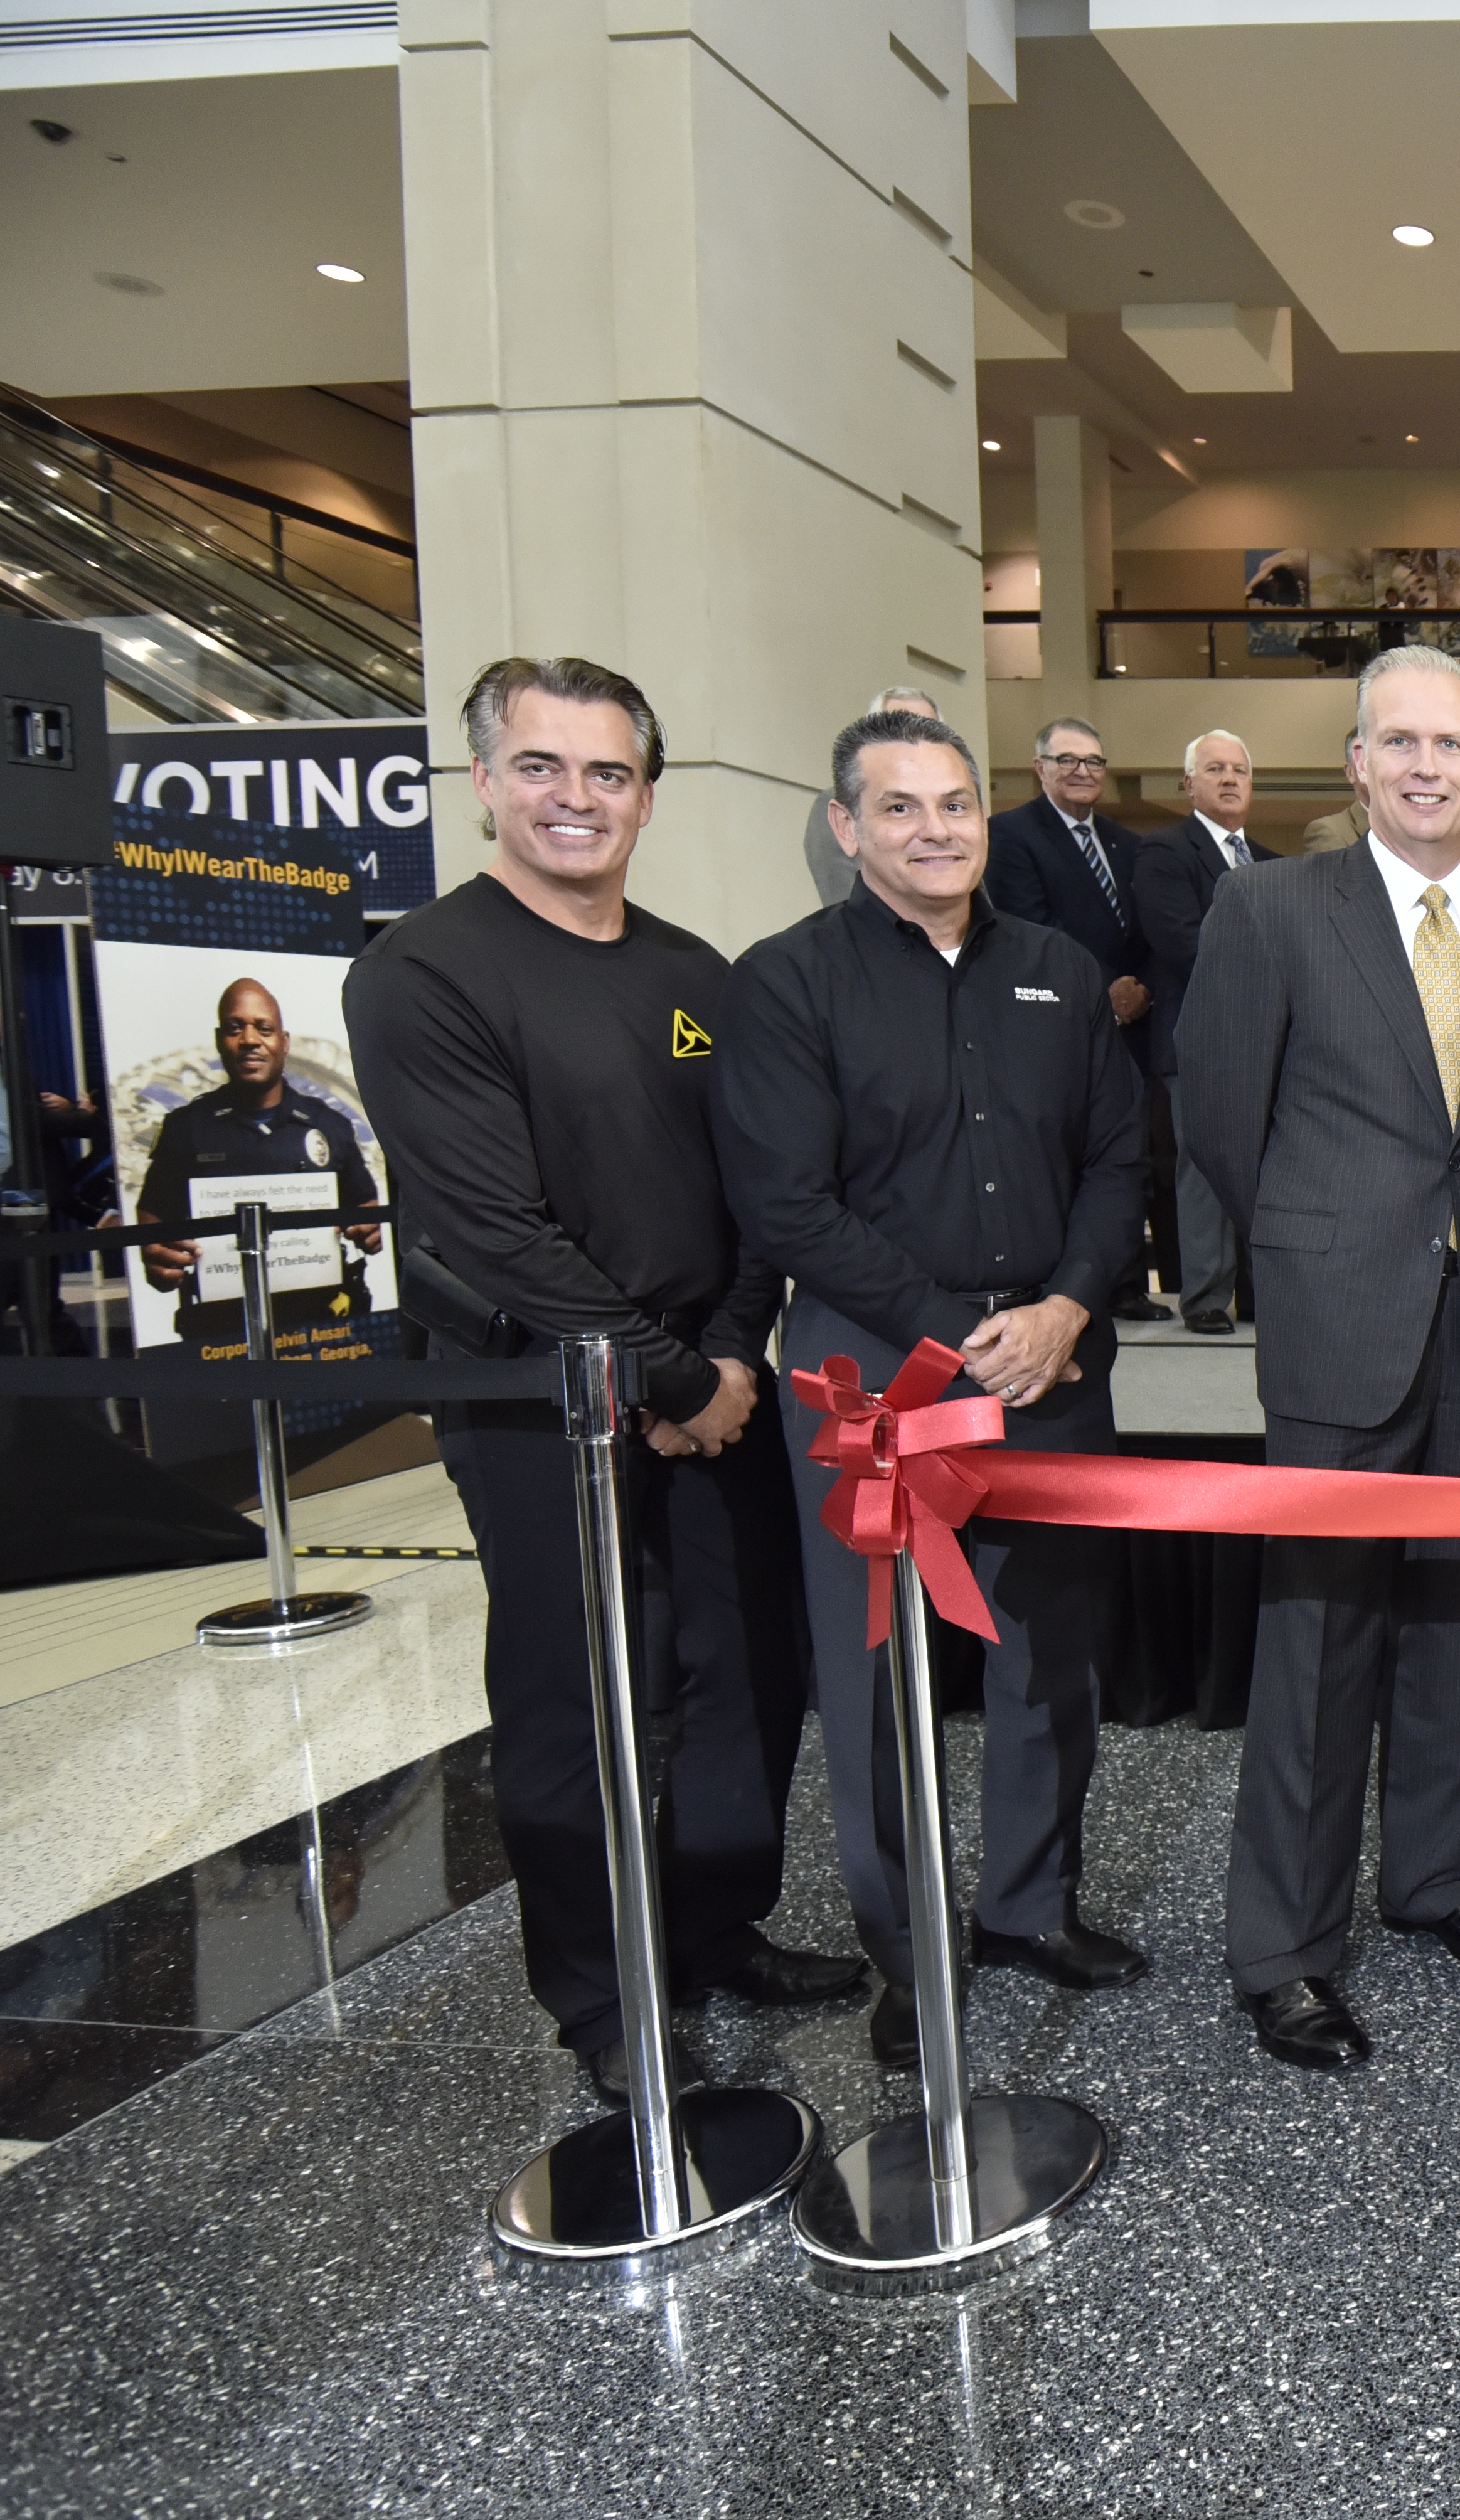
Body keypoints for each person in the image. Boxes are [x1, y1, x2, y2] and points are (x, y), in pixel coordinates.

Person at [345, 655, 858, 2103]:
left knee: (742, 1667)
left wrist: (734, 1354)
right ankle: (598, 1995)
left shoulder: (698, 974)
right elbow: (488, 1224)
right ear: (484, 782)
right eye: (543, 767)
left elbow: (768, 1185)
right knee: (583, 1695)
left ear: (647, 791)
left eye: (608, 772)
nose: (576, 797)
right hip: (540, 1400)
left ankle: (708, 1924)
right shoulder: (422, 973)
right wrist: (666, 1372)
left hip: (718, 1383)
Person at [715, 708, 1154, 2069]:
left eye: (955, 803)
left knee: (1047, 1660)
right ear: (847, 828)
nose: (934, 829)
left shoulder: (1061, 972)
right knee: (875, 1675)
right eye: (898, 807)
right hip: (872, 1391)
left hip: (1053, 1372)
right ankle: (911, 1953)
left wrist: (1068, 1303)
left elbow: (1117, 1159)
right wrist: (960, 1332)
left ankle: (1029, 1907)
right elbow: (784, 1201)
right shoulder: (784, 982)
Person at [1175, 646, 1460, 2074]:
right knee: (1317, 1646)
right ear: (1356, 763)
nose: (1426, 767)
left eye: (1451, 745)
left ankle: (1426, 1882)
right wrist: (1313, 1250)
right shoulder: (1269, 907)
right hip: (1335, 1327)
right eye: (1398, 742)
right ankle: (1283, 1950)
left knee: (1459, 1625)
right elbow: (1221, 1121)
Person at [991, 717, 1164, 1323]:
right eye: (1068, 760)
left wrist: (1135, 988)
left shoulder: (1128, 844)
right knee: (1068, 1154)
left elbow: (1146, 928)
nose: (1083, 772)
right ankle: (1073, 1288)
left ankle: (1123, 1284)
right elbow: (1031, 929)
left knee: (1123, 1153)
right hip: (1054, 1016)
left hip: (1132, 1023)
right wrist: (1103, 991)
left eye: (1093, 761)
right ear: (1039, 768)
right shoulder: (1008, 836)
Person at [135, 977, 383, 1361]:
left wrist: (369, 1228)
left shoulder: (330, 1126)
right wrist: (156, 1255)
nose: (250, 1039)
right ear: (221, 1040)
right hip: (221, 1338)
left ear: (283, 1042)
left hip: (318, 1335)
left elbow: (365, 1203)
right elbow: (153, 1212)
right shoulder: (186, 1128)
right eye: (236, 1028)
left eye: (263, 1029)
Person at [1133, 730, 1279, 1336]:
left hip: (1268, 1043)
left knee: (1265, 1167)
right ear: (1188, 783)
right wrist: (1275, 975)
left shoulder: (1273, 864)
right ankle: (1207, 1297)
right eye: (1214, 769)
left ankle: (1259, 1293)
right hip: (1197, 1038)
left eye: (1240, 770)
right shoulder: (1164, 853)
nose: (1229, 779)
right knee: (1203, 1163)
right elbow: (1185, 944)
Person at [798, 683, 939, 907]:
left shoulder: (956, 804)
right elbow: (844, 897)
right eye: (899, 729)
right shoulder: (842, 804)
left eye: (930, 731)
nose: (915, 740)